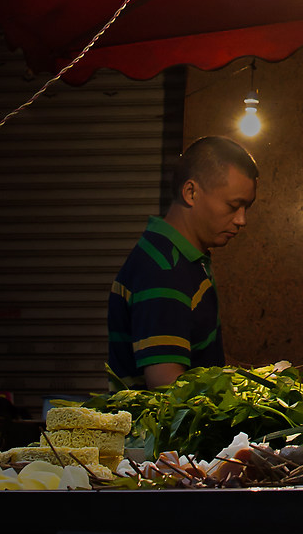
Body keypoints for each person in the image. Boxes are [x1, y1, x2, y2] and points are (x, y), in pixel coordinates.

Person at [106, 135, 257, 387]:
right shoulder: (164, 269)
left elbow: (198, 359)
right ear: (191, 192)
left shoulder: (185, 261)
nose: (242, 220)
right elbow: (166, 386)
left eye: (246, 208)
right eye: (233, 205)